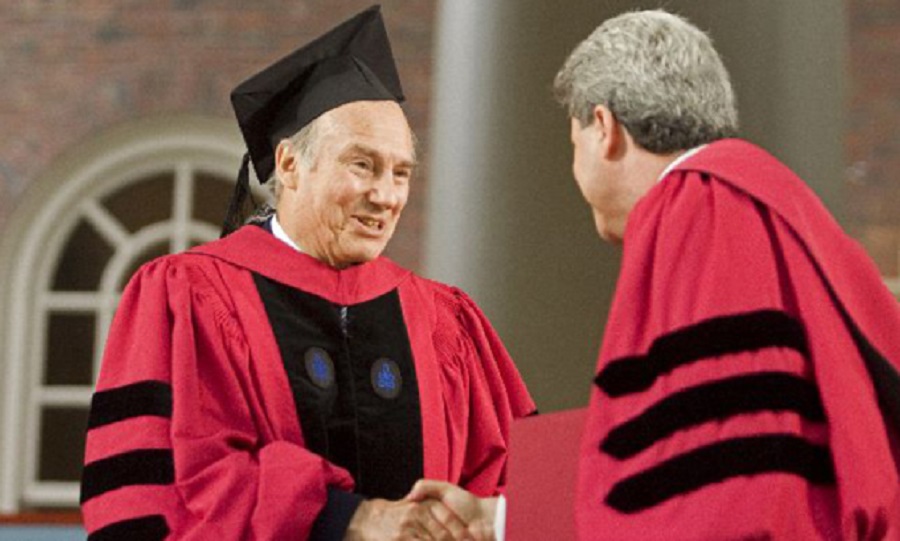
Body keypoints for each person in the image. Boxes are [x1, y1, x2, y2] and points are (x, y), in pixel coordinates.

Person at [79, 6, 534, 540]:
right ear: (290, 165)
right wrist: (351, 519)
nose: (385, 196)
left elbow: (516, 482)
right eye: (362, 165)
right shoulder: (189, 295)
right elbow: (163, 488)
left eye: (401, 173)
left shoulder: (444, 320)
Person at [552, 9, 900, 541]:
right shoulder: (780, 207)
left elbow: (723, 481)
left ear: (604, 129)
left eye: (572, 146)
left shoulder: (702, 210)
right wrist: (504, 519)